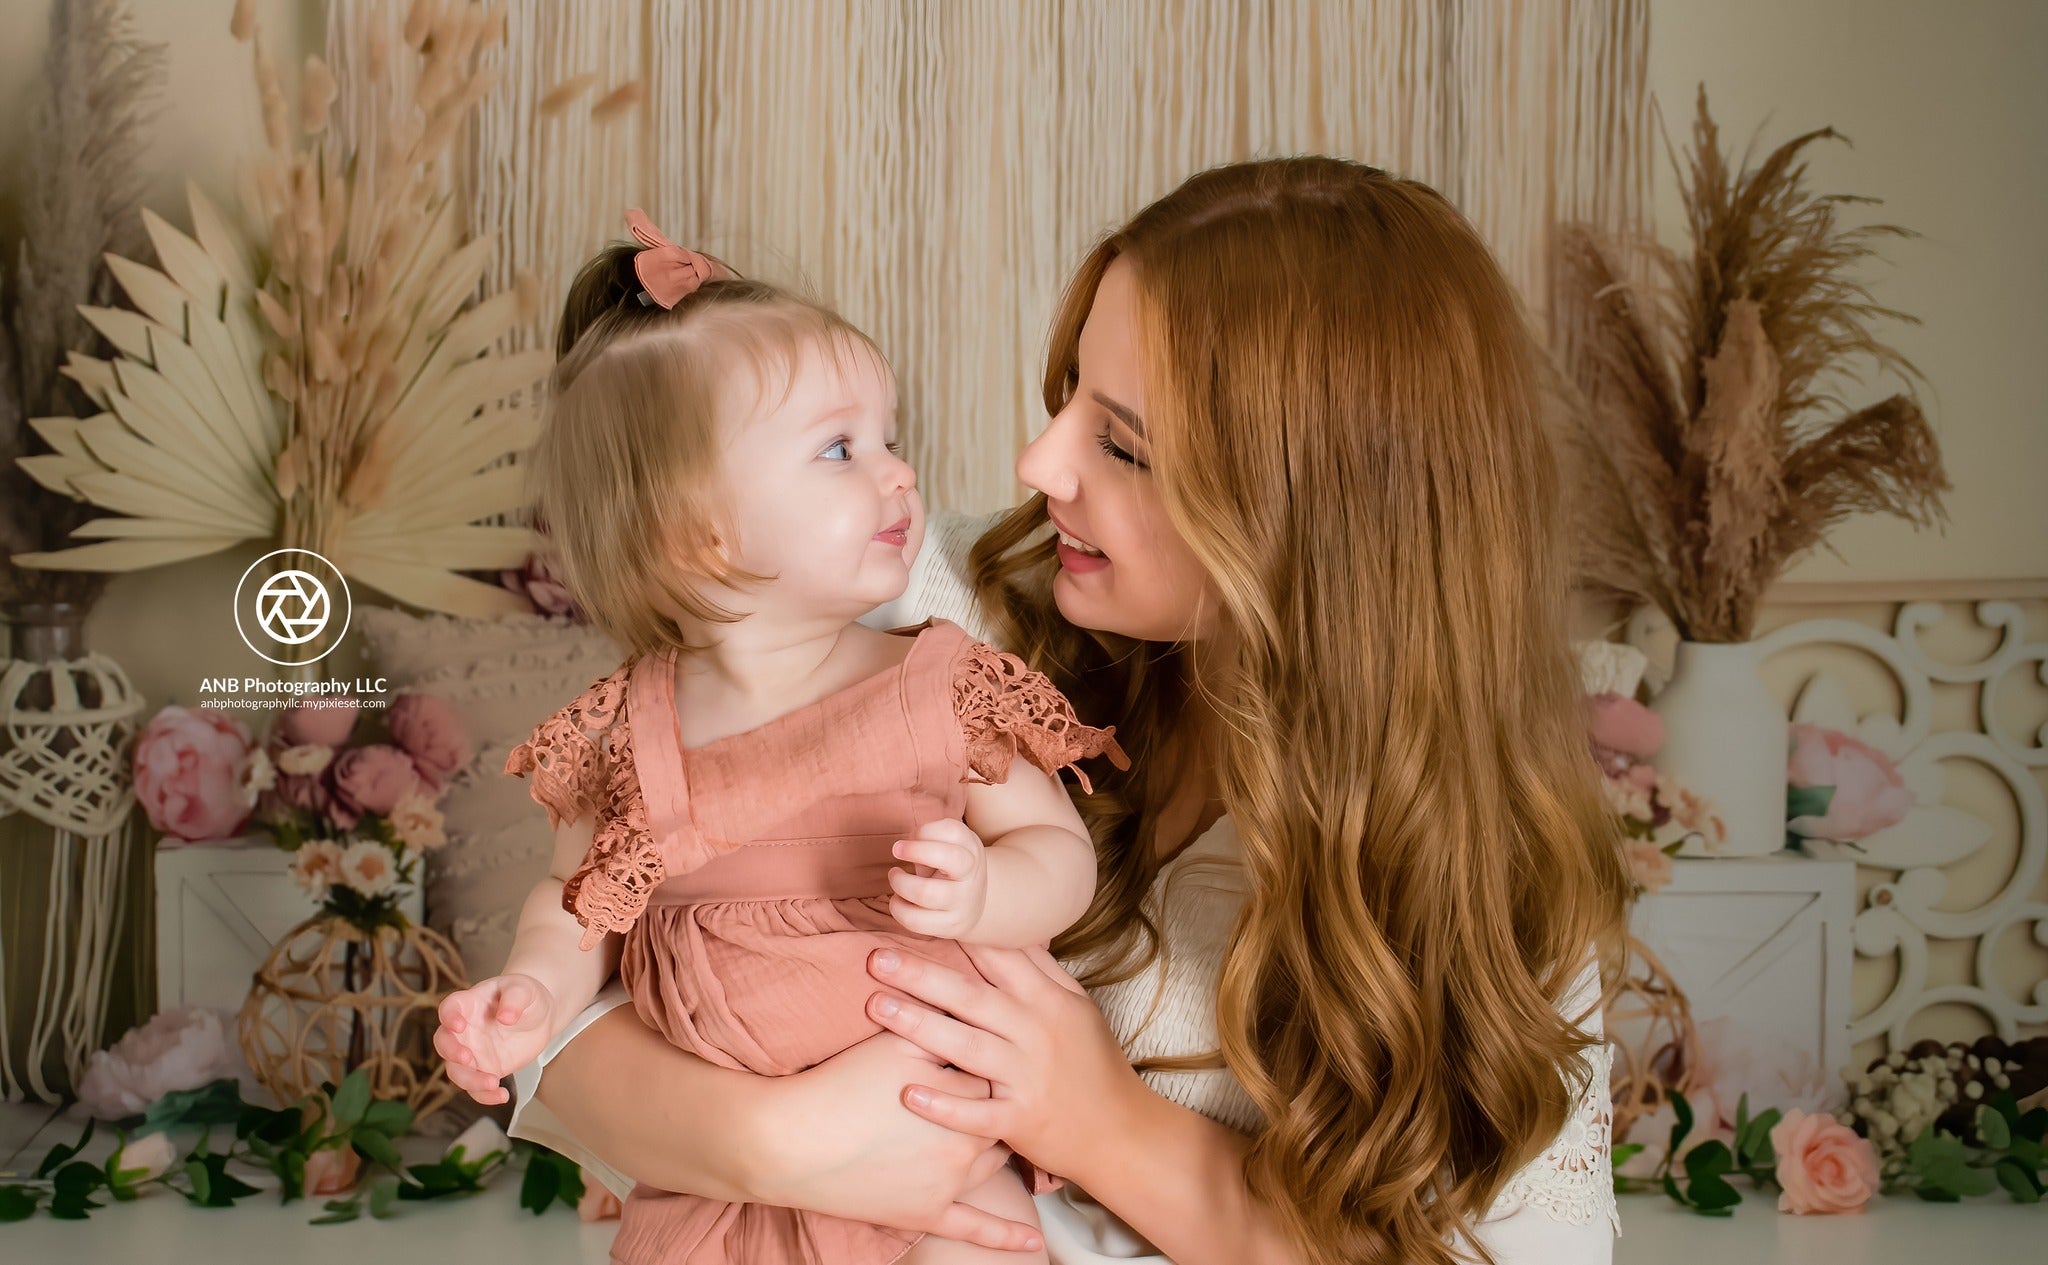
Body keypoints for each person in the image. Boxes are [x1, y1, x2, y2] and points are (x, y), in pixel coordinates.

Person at [506, 159, 1632, 1265]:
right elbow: (582, 974)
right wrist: (768, 1141)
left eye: (1123, 444)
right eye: (1067, 400)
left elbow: (1498, 1247)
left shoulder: (1488, 848)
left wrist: (1094, 1116)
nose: (1036, 462)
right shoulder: (917, 605)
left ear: (1314, 516)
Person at [434, 209, 1126, 1264]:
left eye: (890, 438)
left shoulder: (936, 682)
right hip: (710, 1193)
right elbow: (577, 907)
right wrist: (528, 993)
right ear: (697, 527)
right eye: (840, 449)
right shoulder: (628, 728)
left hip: (932, 1146)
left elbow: (1059, 855)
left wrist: (988, 891)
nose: (897, 472)